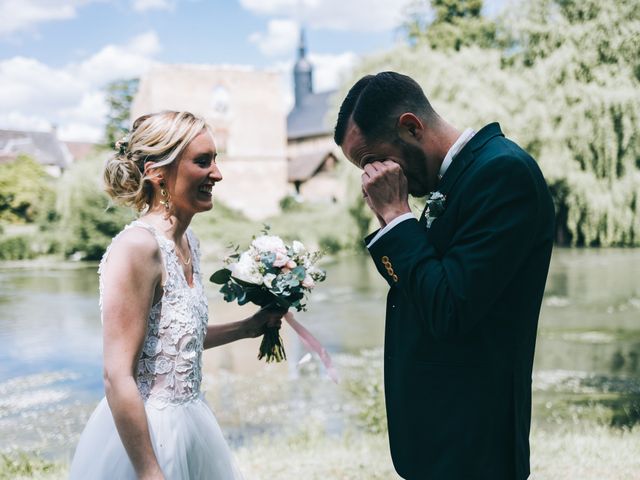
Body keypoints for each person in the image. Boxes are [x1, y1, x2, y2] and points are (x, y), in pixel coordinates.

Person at [334, 72, 555, 480]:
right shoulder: (457, 179)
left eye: (373, 160)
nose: (372, 178)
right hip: (443, 441)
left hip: (474, 445)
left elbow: (448, 309)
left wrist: (398, 218)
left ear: (411, 127)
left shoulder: (502, 174)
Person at [69, 111, 284, 480]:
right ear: (157, 172)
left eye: (215, 161)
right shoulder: (137, 248)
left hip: (191, 422)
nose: (217, 174)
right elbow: (116, 375)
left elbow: (173, 345)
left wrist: (249, 327)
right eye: (203, 162)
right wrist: (150, 472)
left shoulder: (188, 243)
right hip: (148, 435)